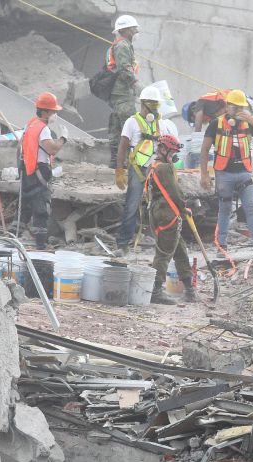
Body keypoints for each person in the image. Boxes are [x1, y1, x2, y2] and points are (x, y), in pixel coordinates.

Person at [200, 89, 253, 253]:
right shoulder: (216, 123)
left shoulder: (248, 124)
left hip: (244, 172)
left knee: (250, 208)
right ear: (227, 106)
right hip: (224, 173)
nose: (238, 111)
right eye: (235, 107)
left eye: (241, 107)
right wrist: (204, 174)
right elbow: (204, 149)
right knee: (224, 209)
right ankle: (221, 246)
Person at [138, 134, 197, 304]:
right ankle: (156, 291)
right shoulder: (164, 168)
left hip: (159, 212)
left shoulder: (153, 166)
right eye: (171, 154)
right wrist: (183, 206)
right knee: (164, 252)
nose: (173, 157)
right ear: (162, 149)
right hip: (167, 214)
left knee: (180, 250)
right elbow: (174, 192)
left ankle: (189, 290)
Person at [115, 85, 162, 250]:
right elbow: (122, 147)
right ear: (143, 103)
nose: (156, 106)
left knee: (158, 204)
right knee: (132, 205)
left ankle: (155, 240)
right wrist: (119, 170)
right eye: (153, 103)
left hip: (154, 169)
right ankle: (123, 243)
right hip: (138, 169)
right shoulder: (132, 122)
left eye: (157, 103)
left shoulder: (157, 123)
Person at [19, 92, 67, 249]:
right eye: (53, 111)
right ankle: (41, 244)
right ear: (45, 111)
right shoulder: (43, 129)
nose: (55, 114)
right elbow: (52, 149)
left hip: (27, 169)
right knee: (41, 208)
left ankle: (13, 236)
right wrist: (63, 138)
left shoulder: (30, 124)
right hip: (40, 171)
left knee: (24, 206)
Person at [107, 15, 140, 169]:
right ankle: (125, 160)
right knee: (130, 125)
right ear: (125, 30)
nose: (136, 31)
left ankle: (116, 161)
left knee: (118, 126)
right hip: (122, 93)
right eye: (133, 28)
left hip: (119, 93)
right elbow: (124, 68)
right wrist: (135, 83)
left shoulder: (120, 44)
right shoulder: (123, 45)